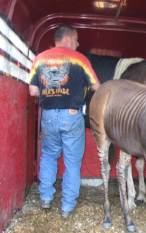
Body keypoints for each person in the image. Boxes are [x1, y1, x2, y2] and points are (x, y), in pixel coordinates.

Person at [29, 25, 100, 218]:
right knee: (72, 162)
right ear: (68, 39)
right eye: (76, 40)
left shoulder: (40, 58)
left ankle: (45, 198)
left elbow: (33, 91)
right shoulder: (80, 59)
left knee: (49, 155)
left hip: (49, 115)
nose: (78, 44)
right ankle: (67, 207)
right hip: (71, 115)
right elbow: (96, 86)